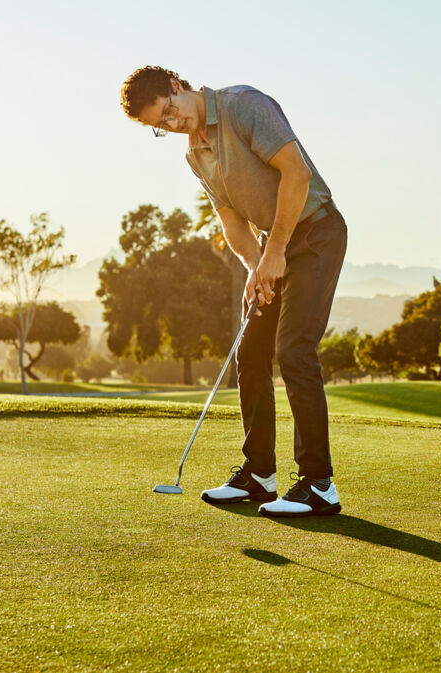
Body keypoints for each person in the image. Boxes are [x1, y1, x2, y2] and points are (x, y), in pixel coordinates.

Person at [120, 66, 346, 517]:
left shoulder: (244, 105)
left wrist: (275, 250)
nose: (172, 123)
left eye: (169, 110)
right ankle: (260, 474)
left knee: (295, 350)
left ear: (178, 85)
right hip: (273, 246)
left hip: (316, 234)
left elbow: (296, 175)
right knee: (252, 350)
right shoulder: (195, 154)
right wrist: (254, 266)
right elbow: (229, 218)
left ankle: (318, 484)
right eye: (159, 125)